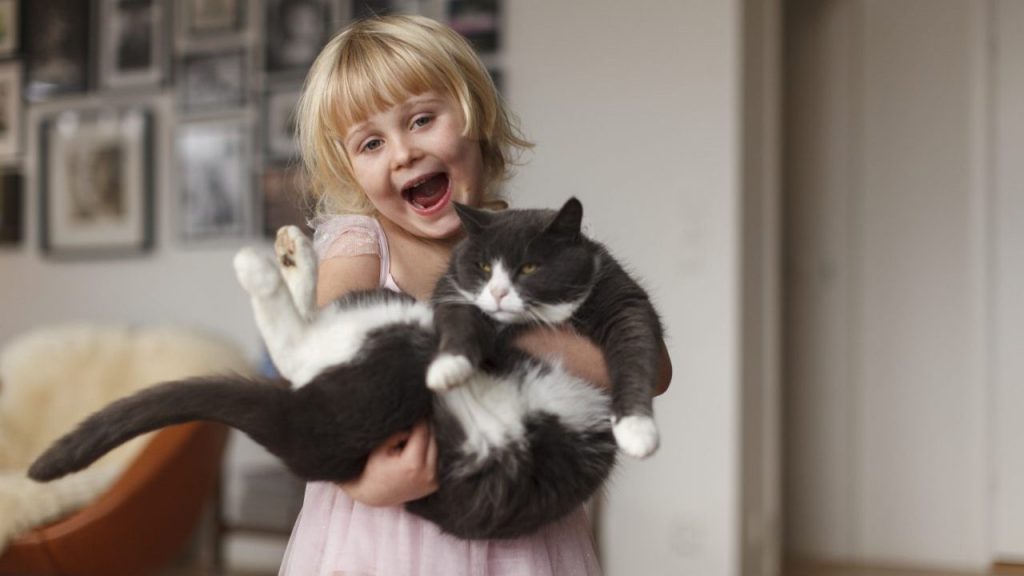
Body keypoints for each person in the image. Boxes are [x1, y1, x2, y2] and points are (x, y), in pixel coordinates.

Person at [282, 14, 672, 576]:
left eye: (421, 119)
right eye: (370, 142)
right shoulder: (360, 241)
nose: (402, 154)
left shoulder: (530, 245)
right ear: (349, 168)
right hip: (383, 537)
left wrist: (496, 337)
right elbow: (319, 366)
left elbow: (653, 369)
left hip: (520, 529)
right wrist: (359, 479)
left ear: (475, 117)